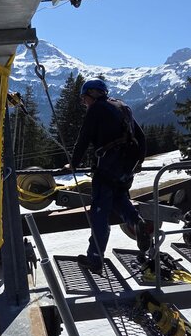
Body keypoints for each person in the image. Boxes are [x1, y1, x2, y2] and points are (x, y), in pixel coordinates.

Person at [62, 79, 151, 272]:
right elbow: (141, 136)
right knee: (118, 199)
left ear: (93, 94)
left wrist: (73, 164)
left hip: (107, 167)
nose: (84, 102)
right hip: (126, 167)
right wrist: (139, 162)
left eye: (84, 98)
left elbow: (83, 138)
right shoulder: (122, 106)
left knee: (99, 214)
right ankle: (137, 222)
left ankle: (95, 259)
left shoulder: (96, 109)